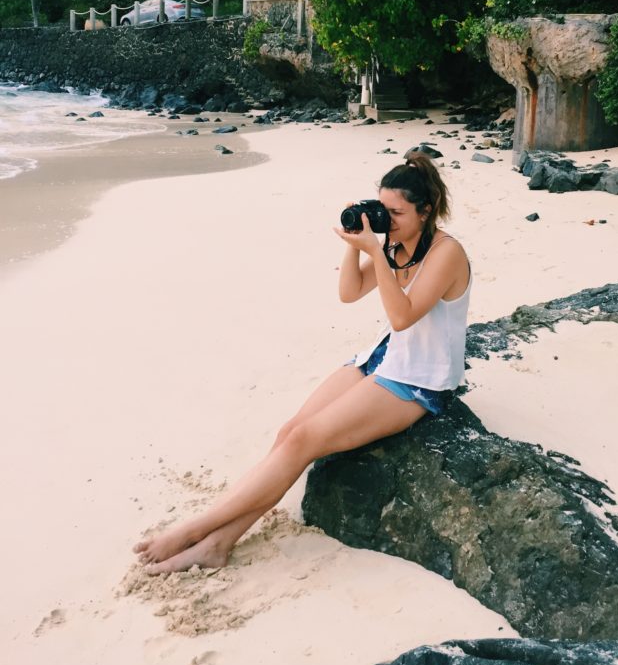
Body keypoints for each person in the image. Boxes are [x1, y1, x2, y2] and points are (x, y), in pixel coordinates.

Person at [133, 150, 471, 574]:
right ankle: (218, 543)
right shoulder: (396, 244)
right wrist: (355, 246)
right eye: (380, 209)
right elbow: (349, 292)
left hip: (420, 378)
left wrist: (378, 253)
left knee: (303, 441)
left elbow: (402, 316)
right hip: (384, 357)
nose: (386, 220)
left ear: (426, 211)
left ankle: (196, 528)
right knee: (290, 433)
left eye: (395, 212)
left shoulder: (447, 253)